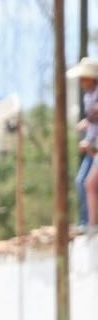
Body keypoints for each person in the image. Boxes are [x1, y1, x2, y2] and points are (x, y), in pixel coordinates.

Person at [67, 56, 98, 229]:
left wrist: (92, 144)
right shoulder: (88, 97)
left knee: (90, 183)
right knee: (81, 181)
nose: (80, 81)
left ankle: (91, 224)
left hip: (95, 147)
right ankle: (85, 221)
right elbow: (93, 120)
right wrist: (86, 124)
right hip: (91, 146)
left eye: (83, 77)